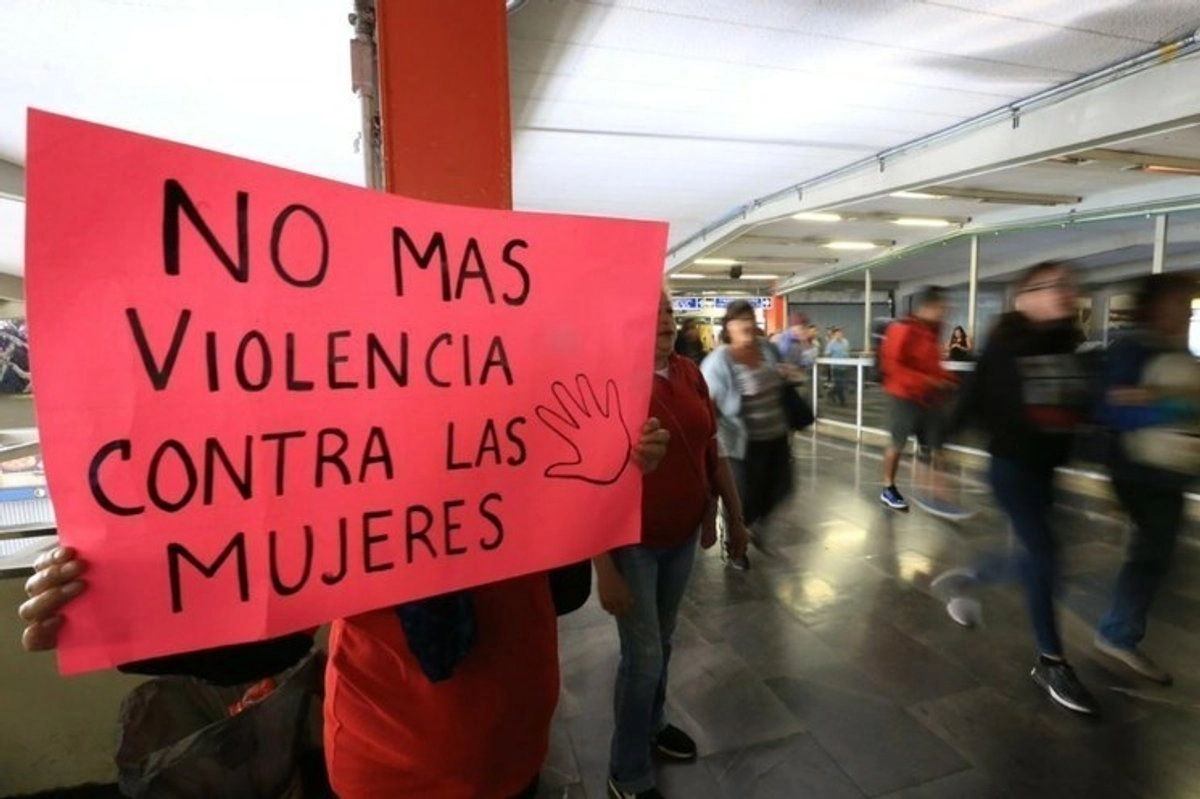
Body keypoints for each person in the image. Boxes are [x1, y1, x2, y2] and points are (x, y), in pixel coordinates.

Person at [19, 382, 673, 797]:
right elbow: (265, 639)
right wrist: (106, 609)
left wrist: (598, 484)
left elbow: (561, 595)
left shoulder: (521, 456)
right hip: (388, 768)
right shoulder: (341, 480)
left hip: (515, 750)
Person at [596, 293, 749, 799]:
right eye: (651, 311)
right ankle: (627, 769)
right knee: (641, 658)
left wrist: (728, 513)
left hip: (682, 534)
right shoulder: (612, 382)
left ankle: (653, 724)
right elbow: (587, 481)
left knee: (661, 641)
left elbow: (709, 446)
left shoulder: (688, 373)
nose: (663, 319)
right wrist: (605, 568)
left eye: (667, 310)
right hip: (633, 543)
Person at [942, 261, 1100, 715]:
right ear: (1024, 297)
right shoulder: (1004, 346)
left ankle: (968, 578)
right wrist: (936, 454)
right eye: (1052, 286)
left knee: (1039, 558)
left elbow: (1078, 407)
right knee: (1045, 557)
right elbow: (969, 400)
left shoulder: (1070, 344)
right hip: (1011, 469)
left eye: (1069, 285)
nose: (1065, 293)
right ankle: (1051, 661)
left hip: (1049, 470)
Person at [1094, 272, 1200, 686]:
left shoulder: (1172, 351)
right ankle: (1118, 634)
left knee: (1155, 553)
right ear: (1155, 306)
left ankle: (1120, 629)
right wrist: (1174, 405)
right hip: (1139, 470)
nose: (1184, 312)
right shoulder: (1132, 349)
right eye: (1178, 303)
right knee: (1152, 552)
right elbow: (1111, 409)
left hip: (1166, 470)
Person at [701, 300, 794, 569]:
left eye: (751, 319)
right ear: (728, 327)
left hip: (775, 436)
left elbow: (780, 379)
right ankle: (736, 548)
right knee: (741, 499)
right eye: (740, 320)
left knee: (782, 488)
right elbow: (709, 405)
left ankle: (756, 529)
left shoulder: (767, 348)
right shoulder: (719, 361)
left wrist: (785, 375)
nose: (748, 325)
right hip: (739, 444)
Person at [878, 287, 954, 512]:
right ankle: (888, 487)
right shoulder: (902, 329)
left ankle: (939, 496)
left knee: (936, 444)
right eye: (941, 309)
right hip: (903, 396)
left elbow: (934, 365)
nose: (944, 314)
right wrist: (929, 381)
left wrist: (947, 380)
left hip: (929, 398)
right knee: (897, 443)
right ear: (927, 307)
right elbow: (892, 366)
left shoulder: (933, 332)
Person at [824, 327, 850, 407]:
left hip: (844, 366)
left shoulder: (846, 342)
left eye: (840, 333)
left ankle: (831, 393)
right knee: (840, 384)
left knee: (842, 384)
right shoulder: (831, 344)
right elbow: (826, 353)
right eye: (837, 334)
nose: (839, 335)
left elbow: (847, 353)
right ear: (834, 335)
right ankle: (842, 401)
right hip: (836, 367)